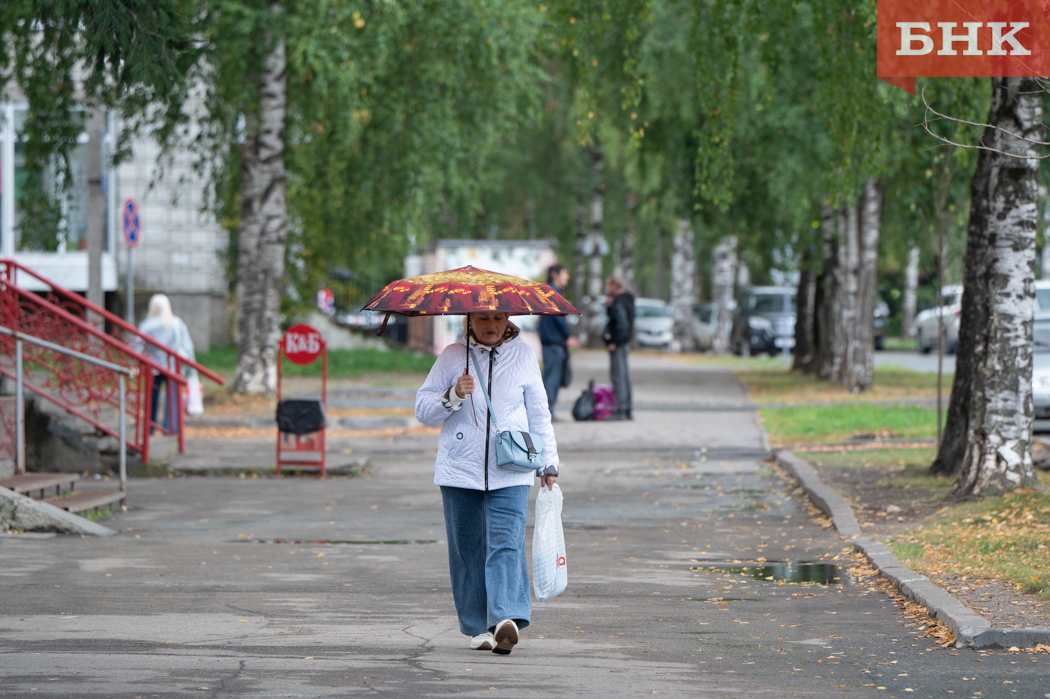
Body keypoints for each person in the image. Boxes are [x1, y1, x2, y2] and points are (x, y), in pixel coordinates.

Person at [416, 311, 560, 655]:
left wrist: (549, 461)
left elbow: (539, 411)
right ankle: (477, 627)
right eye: (482, 318)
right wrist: (452, 394)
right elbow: (422, 410)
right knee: (467, 550)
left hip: (512, 466)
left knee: (506, 542)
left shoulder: (524, 355)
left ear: (508, 317)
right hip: (458, 469)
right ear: (470, 320)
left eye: (497, 317)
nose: (490, 324)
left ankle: (505, 618)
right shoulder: (453, 356)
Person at [138, 294, 196, 433]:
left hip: (153, 367)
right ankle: (170, 429)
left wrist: (133, 363)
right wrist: (192, 371)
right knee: (172, 401)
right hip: (173, 368)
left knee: (152, 400)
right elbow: (187, 347)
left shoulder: (146, 325)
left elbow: (137, 346)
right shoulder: (177, 323)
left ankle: (149, 430)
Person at [538, 264, 579, 420]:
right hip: (554, 344)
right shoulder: (552, 292)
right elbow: (558, 318)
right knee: (552, 379)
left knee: (551, 377)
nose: (567, 277)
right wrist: (568, 336)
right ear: (555, 274)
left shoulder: (549, 291)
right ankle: (548, 414)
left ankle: (549, 413)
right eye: (565, 273)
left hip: (551, 343)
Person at [602, 275, 635, 420]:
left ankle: (621, 409)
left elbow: (621, 325)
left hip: (618, 345)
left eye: (609, 286)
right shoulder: (627, 300)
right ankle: (627, 408)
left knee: (618, 376)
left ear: (615, 286)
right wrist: (609, 309)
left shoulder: (619, 303)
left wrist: (614, 341)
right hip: (625, 344)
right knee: (625, 376)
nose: (607, 289)